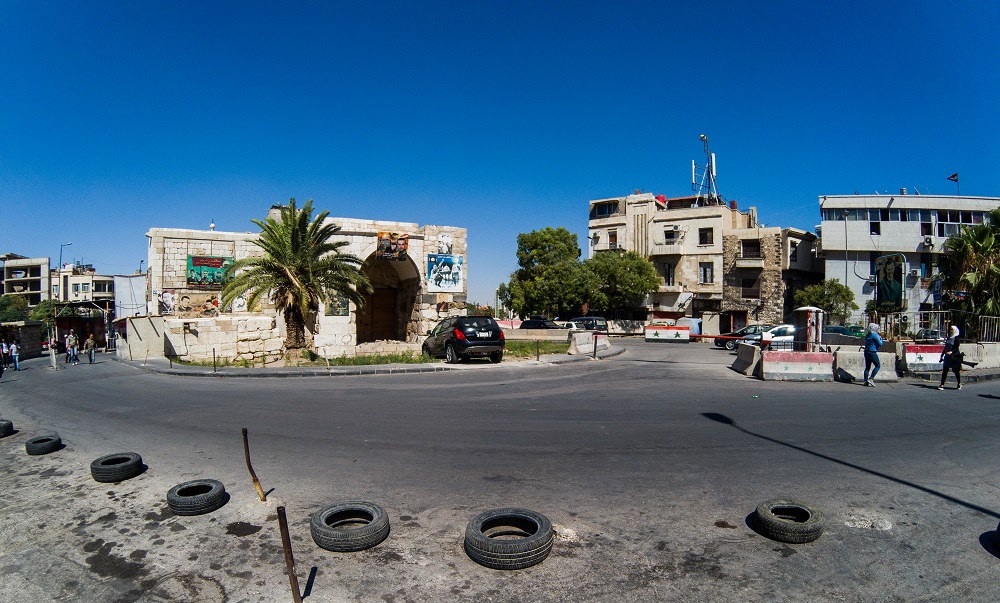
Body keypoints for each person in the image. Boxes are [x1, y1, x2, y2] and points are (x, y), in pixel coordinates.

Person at [938, 325, 962, 390]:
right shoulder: (949, 338)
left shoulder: (956, 338)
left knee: (956, 371)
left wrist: (951, 351)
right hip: (947, 357)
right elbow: (946, 347)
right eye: (950, 329)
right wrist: (942, 355)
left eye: (952, 329)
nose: (950, 331)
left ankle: (959, 383)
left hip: (953, 357)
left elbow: (956, 347)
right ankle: (942, 384)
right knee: (945, 371)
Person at [863, 323, 884, 387]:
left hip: (866, 351)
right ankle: (871, 378)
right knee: (877, 365)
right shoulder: (875, 335)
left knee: (867, 367)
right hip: (872, 352)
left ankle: (865, 380)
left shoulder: (868, 335)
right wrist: (881, 339)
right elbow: (880, 344)